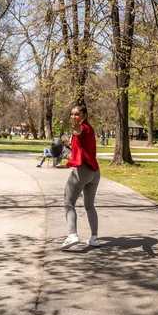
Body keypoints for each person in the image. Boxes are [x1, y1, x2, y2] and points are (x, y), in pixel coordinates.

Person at [59, 104, 100, 250]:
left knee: (68, 202)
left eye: (77, 114)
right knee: (89, 206)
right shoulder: (90, 129)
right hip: (94, 172)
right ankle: (94, 238)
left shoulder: (83, 128)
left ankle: (72, 235)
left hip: (82, 171)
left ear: (85, 115)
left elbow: (79, 132)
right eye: (72, 114)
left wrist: (76, 129)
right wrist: (69, 144)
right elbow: (81, 145)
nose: (74, 117)